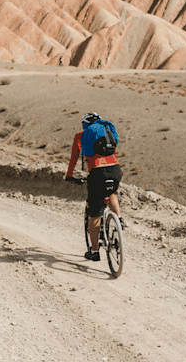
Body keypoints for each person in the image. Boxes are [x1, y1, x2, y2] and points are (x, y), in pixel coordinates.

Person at [65, 112, 123, 261]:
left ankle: (95, 250)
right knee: (111, 193)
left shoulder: (82, 134)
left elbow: (74, 156)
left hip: (97, 173)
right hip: (115, 170)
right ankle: (119, 219)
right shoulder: (107, 130)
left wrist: (69, 175)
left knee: (94, 213)